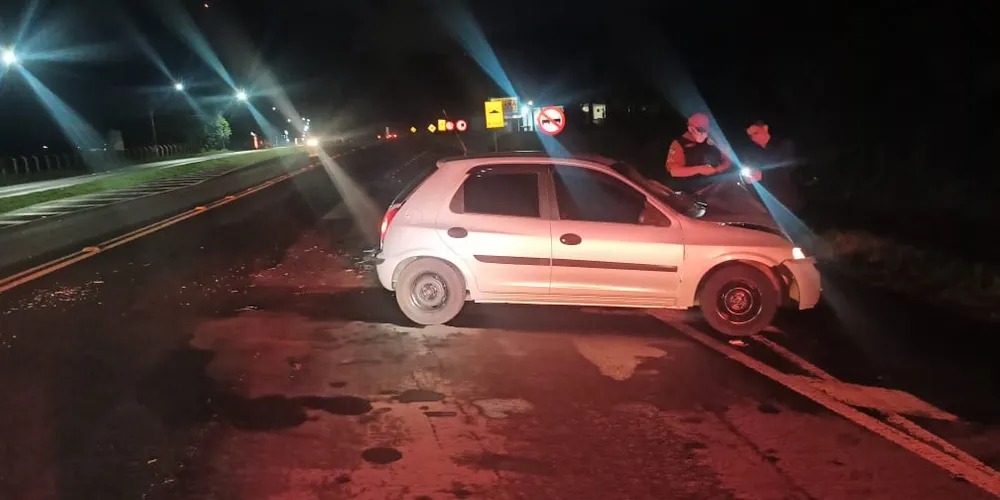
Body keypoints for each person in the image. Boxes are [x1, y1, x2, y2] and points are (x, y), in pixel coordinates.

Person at [742, 120, 803, 212]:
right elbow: (749, 170)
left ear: (765, 128)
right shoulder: (753, 152)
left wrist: (763, 175)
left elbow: (787, 168)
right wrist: (748, 179)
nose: (754, 138)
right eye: (750, 136)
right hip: (767, 203)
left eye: (756, 133)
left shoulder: (784, 145)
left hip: (787, 201)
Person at [665, 112, 732, 193]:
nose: (704, 134)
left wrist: (716, 169)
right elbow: (674, 171)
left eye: (706, 131)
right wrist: (699, 169)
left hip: (712, 187)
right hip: (687, 190)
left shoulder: (713, 141)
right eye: (701, 130)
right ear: (691, 129)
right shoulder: (679, 144)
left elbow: (727, 160)